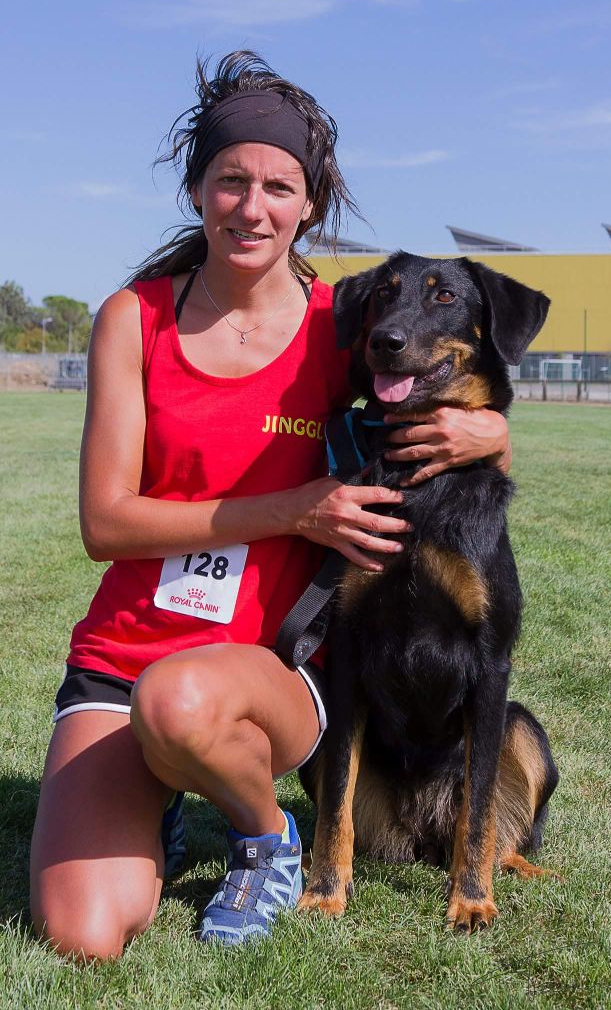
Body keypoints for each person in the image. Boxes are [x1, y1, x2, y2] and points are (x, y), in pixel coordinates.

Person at [29, 51, 512, 960]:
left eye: (279, 187)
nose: (254, 207)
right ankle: (166, 791)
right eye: (231, 181)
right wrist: (294, 509)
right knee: (83, 932)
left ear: (308, 205)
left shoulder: (346, 326)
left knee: (183, 703)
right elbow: (105, 524)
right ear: (198, 189)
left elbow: (450, 393)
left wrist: (494, 436)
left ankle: (266, 837)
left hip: (268, 670)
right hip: (124, 659)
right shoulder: (134, 318)